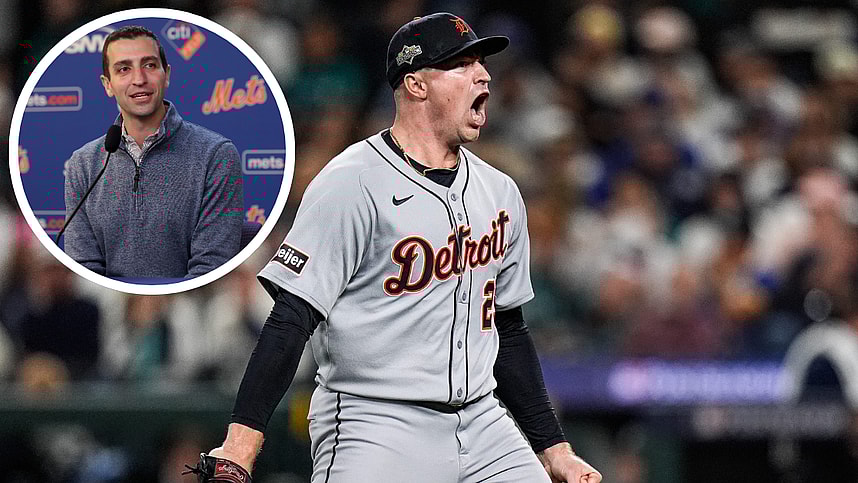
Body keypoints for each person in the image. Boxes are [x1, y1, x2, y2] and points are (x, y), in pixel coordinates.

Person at [203, 13, 601, 482]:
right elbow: (291, 318)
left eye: (482, 63)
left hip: (483, 421)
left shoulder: (500, 192)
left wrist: (554, 450)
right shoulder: (352, 182)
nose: (484, 75)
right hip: (376, 422)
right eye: (462, 64)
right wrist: (241, 442)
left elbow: (508, 331)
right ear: (416, 85)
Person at [63, 25, 243, 279]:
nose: (139, 79)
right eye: (124, 69)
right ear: (108, 85)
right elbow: (84, 270)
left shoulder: (216, 155)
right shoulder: (82, 164)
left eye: (149, 65)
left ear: (166, 75)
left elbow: (211, 266)